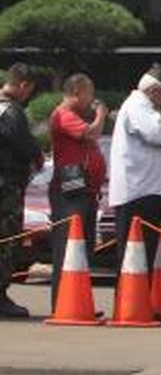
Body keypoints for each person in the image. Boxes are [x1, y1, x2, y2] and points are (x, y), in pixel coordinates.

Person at [110, 63, 161, 291]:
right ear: (155, 90)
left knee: (144, 250)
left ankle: (140, 301)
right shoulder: (138, 106)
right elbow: (154, 133)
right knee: (136, 251)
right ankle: (130, 302)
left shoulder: (145, 107)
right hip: (138, 191)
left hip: (145, 188)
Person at [47, 73, 107, 313]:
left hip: (85, 191)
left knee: (83, 247)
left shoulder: (75, 117)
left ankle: (77, 301)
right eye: (89, 93)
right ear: (77, 92)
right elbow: (91, 134)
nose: (91, 99)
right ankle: (63, 303)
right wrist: (101, 113)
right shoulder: (64, 115)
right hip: (70, 192)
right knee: (68, 246)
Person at [0, 63, 41, 319]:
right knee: (6, 241)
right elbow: (25, 145)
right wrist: (37, 156)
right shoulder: (12, 112)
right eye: (30, 91)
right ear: (23, 85)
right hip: (7, 188)